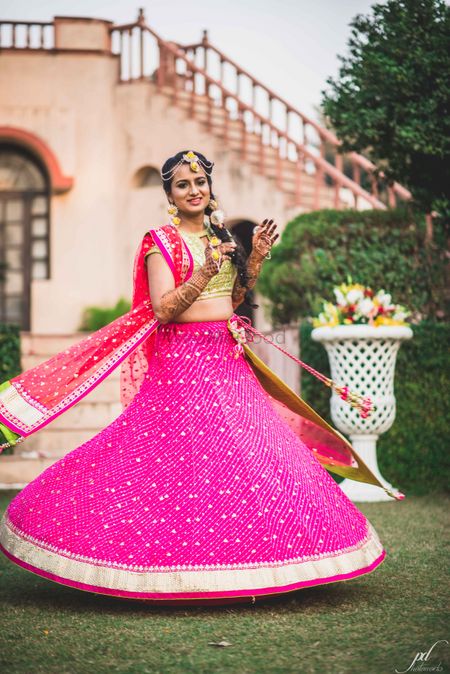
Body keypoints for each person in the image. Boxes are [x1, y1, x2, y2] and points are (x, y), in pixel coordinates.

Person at [0, 150, 403, 605]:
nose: (194, 191)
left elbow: (228, 304)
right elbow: (164, 310)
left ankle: (260, 562)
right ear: (169, 194)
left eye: (200, 182)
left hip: (225, 356)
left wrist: (252, 266)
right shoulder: (160, 242)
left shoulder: (222, 237)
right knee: (168, 462)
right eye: (182, 184)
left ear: (211, 188)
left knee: (256, 452)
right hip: (182, 364)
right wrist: (205, 269)